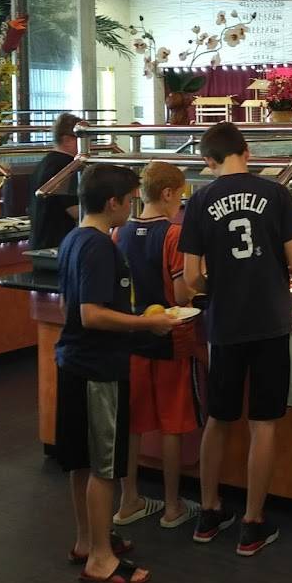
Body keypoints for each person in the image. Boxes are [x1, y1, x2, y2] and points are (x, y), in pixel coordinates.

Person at [180, 121, 292, 556]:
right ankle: (253, 523)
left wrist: (218, 287)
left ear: (208, 160)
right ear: (247, 152)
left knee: (218, 419)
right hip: (271, 322)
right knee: (263, 423)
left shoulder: (199, 200)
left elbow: (191, 278)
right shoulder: (276, 193)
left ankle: (208, 512)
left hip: (225, 325)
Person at [56, 163, 176, 583]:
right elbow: (91, 314)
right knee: (105, 466)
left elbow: (70, 308)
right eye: (129, 201)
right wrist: (147, 323)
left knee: (81, 461)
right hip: (99, 368)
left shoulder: (74, 239)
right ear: (112, 203)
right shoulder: (99, 247)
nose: (132, 208)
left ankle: (88, 541)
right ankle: (101, 561)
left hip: (74, 361)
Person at [113, 161, 201, 530]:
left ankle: (128, 500)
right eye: (180, 196)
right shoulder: (174, 235)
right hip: (168, 336)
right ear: (167, 194)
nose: (180, 203)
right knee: (171, 423)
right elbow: (181, 294)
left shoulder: (119, 232)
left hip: (131, 335)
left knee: (132, 422)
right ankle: (172, 506)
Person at [29, 113, 81, 249]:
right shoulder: (68, 166)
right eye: (82, 139)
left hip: (40, 240)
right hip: (59, 242)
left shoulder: (45, 162)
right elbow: (75, 210)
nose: (89, 145)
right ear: (67, 140)